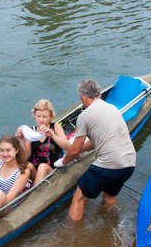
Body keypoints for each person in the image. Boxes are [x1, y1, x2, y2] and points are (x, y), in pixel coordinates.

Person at [59, 79, 137, 221]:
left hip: (108, 164)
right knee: (109, 195)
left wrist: (63, 161)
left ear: (83, 98)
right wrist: (80, 149)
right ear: (99, 94)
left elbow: (75, 151)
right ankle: (109, 226)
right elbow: (97, 141)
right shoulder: (113, 108)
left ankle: (73, 237)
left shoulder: (84, 115)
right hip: (129, 163)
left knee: (78, 199)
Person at [16, 99, 71, 183]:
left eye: (44, 117)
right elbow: (25, 157)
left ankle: (33, 194)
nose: (41, 120)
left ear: (50, 117)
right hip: (35, 169)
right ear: (34, 115)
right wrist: (22, 140)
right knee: (27, 165)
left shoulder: (55, 127)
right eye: (38, 116)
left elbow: (68, 148)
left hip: (51, 169)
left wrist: (52, 135)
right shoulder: (31, 131)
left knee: (42, 167)